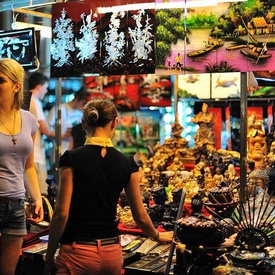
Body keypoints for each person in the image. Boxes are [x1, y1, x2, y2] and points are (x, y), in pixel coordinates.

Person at [43, 98, 173, 275]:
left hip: (78, 254)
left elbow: (61, 214)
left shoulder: (71, 159)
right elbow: (140, 215)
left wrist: (49, 256)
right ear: (115, 122)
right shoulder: (128, 164)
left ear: (83, 124)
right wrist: (157, 236)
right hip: (111, 254)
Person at [0, 58, 43, 274]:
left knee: (8, 271)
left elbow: (28, 167)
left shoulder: (29, 120)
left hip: (16, 204)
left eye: (1, 81)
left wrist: (36, 198)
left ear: (16, 86)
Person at [28, 72, 54, 194]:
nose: (46, 91)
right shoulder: (35, 102)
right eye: (45, 88)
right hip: (36, 156)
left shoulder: (27, 100)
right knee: (41, 193)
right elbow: (46, 129)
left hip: (30, 154)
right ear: (39, 87)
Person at [47, 88, 88, 154]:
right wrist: (63, 136)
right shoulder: (59, 109)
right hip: (60, 152)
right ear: (77, 99)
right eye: (83, 103)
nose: (84, 106)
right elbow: (46, 130)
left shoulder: (81, 113)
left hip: (75, 152)